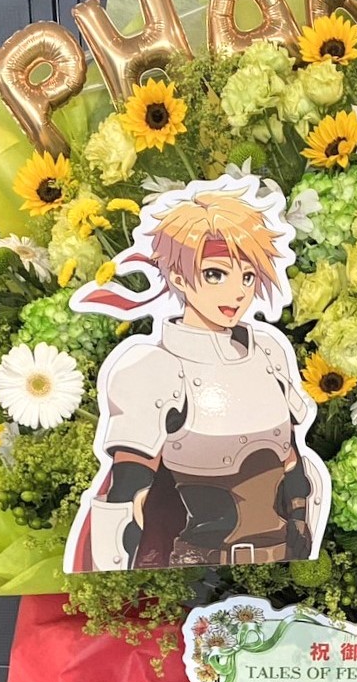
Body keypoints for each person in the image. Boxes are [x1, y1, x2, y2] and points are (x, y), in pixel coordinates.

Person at [64, 176, 330, 572]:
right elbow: (124, 503)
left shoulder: (268, 354)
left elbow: (295, 474)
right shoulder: (154, 369)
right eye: (215, 274)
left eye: (248, 276)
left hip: (282, 570)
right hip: (199, 576)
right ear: (177, 276)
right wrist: (114, 587)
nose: (237, 292)